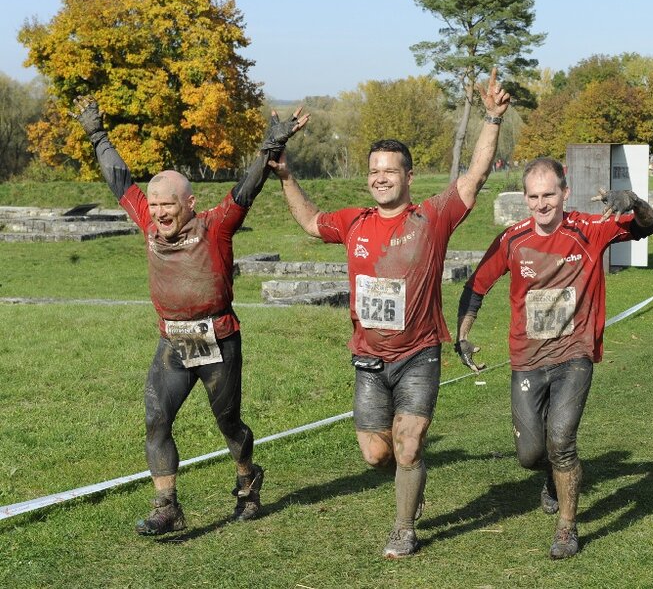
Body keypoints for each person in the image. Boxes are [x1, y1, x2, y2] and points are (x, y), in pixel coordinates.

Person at [270, 70, 510, 559]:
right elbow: (312, 221)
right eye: (374, 170)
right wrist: (287, 176)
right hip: (369, 360)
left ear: (407, 176)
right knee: (377, 453)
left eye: (390, 170)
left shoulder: (431, 217)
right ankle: (409, 484)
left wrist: (491, 118)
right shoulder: (354, 222)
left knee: (408, 444)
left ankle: (404, 527)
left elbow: (476, 174)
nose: (380, 177)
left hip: (419, 354)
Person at [73, 97, 308, 535]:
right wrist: (96, 134)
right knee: (156, 417)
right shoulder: (147, 222)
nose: (160, 212)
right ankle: (167, 506)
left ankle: (247, 479)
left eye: (169, 205)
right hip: (174, 342)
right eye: (156, 204)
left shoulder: (215, 225)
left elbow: (246, 188)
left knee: (228, 423)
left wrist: (268, 148)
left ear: (190, 203)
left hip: (218, 340)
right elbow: (119, 180)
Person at [454, 158, 653, 560]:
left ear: (565, 194)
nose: (542, 204)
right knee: (531, 454)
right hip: (527, 357)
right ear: (525, 198)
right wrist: (463, 335)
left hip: (574, 354)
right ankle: (549, 475)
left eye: (549, 194)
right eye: (534, 196)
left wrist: (633, 199)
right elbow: (476, 286)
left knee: (561, 439)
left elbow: (647, 226)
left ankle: (566, 527)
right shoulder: (511, 240)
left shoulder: (589, 229)